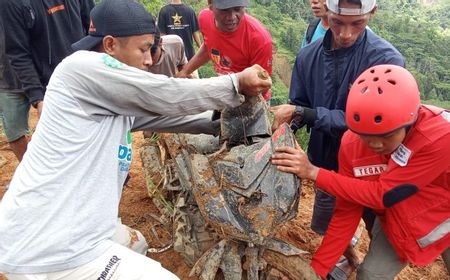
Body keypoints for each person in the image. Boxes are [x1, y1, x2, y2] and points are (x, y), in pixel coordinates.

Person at [0, 0, 271, 279]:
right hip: (51, 247)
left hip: (71, 226)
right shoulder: (80, 68)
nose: (150, 60)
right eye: (143, 49)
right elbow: (163, 94)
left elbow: (166, 117)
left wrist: (224, 120)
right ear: (109, 45)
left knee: (135, 243)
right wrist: (235, 84)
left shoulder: (109, 97)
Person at [272, 64, 450, 279]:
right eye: (365, 135)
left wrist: (314, 172)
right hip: (401, 221)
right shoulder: (352, 144)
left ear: (410, 121)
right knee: (369, 275)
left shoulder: (439, 137)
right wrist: (317, 269)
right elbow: (347, 209)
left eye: (386, 136)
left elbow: (385, 194)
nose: (374, 144)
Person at [270, 0, 405, 276]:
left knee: (377, 220)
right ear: (326, 15)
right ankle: (351, 257)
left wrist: (305, 113)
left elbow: (369, 125)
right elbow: (299, 104)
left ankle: (373, 262)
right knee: (330, 221)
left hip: (372, 165)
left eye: (357, 24)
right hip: (325, 163)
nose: (346, 34)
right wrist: (283, 130)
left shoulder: (386, 61)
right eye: (337, 23)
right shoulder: (308, 57)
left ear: (372, 14)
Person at [0, 0, 94, 160]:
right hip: (11, 75)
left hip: (59, 75)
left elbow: (92, 27)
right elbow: (18, 53)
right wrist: (38, 98)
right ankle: (30, 172)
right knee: (15, 130)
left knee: (72, 128)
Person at [177, 0, 273, 101]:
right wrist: (185, 71)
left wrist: (217, 88)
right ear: (211, 5)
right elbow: (209, 47)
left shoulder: (259, 39)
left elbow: (262, 86)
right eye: (225, 10)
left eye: (237, 9)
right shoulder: (204, 18)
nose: (232, 17)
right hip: (224, 89)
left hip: (252, 99)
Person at [0, 17, 27, 162]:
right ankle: (29, 171)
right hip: (6, 79)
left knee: (56, 126)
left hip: (40, 75)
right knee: (14, 132)